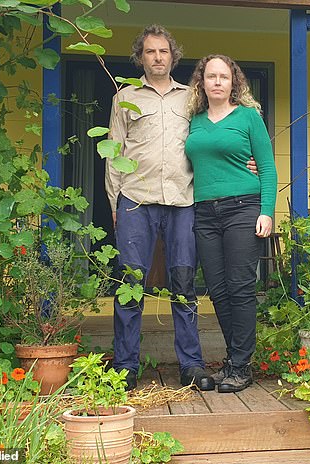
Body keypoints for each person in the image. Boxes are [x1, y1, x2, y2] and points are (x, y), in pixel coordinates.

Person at [105, 25, 219, 391]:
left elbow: (210, 140)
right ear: (141, 57)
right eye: (150, 52)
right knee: (130, 284)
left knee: (184, 285)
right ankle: (125, 367)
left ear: (173, 56)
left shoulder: (191, 99)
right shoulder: (124, 97)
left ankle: (191, 365)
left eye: (164, 52)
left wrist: (246, 161)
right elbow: (113, 154)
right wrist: (114, 204)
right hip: (135, 201)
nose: (157, 57)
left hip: (182, 202)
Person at [185, 55, 278, 393]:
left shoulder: (248, 117)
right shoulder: (193, 120)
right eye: (211, 76)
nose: (218, 82)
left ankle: (240, 365)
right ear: (202, 82)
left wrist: (267, 211)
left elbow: (267, 168)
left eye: (224, 76)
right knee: (218, 289)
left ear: (234, 82)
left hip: (243, 208)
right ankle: (235, 358)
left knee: (240, 288)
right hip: (204, 212)